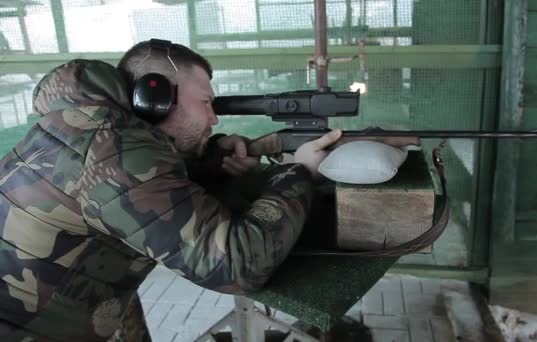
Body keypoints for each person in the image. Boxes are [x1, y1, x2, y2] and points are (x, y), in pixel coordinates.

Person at [0, 39, 342, 341]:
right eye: (206, 102)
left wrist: (210, 159)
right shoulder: (117, 150)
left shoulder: (84, 124)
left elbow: (137, 187)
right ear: (155, 97)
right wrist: (299, 172)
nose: (214, 119)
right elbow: (236, 267)